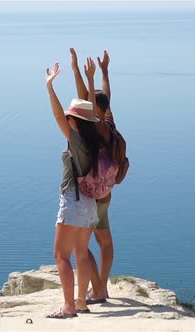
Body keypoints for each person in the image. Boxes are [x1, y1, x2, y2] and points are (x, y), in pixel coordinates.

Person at [45, 57, 106, 318]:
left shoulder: (77, 140)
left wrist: (49, 87)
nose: (67, 120)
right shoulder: (96, 139)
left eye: (71, 117)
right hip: (90, 203)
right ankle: (81, 301)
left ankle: (69, 306)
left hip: (73, 200)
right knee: (81, 252)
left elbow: (58, 115)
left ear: (75, 122)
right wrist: (92, 78)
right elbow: (89, 105)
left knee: (61, 255)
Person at [70, 48, 115, 304]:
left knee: (79, 243)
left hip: (90, 196)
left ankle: (97, 289)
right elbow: (104, 95)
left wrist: (84, 75)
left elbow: (89, 99)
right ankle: (103, 287)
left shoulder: (95, 127)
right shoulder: (109, 121)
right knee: (105, 241)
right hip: (105, 193)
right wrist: (104, 71)